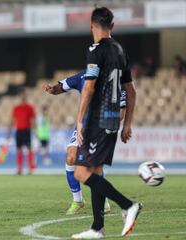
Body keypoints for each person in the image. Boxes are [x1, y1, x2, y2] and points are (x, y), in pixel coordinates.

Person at [69, 7, 141, 239]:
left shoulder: (96, 49)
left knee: (81, 173)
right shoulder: (120, 50)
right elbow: (131, 91)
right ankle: (97, 228)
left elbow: (88, 87)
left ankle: (128, 205)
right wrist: (127, 123)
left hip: (98, 119)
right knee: (95, 171)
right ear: (113, 26)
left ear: (92, 25)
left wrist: (79, 120)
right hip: (113, 120)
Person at [43, 70, 127, 216]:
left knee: (93, 165)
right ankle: (78, 200)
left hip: (100, 126)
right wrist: (52, 89)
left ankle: (103, 197)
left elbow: (121, 113)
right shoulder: (83, 76)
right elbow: (61, 87)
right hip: (83, 125)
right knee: (70, 157)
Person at [10, 88, 36, 175]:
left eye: (24, 95)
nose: (23, 96)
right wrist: (9, 131)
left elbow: (33, 120)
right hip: (19, 130)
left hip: (27, 130)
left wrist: (34, 131)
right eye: (21, 95)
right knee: (19, 149)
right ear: (19, 96)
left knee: (29, 149)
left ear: (26, 96)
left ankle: (30, 168)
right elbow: (13, 120)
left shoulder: (30, 108)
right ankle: (19, 169)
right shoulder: (16, 108)